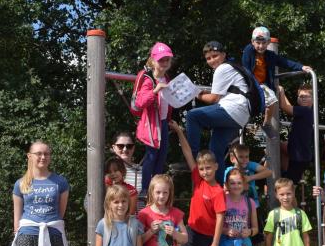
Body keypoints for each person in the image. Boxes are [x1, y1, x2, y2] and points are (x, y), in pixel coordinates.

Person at [169, 120, 225, 246]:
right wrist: (179, 132)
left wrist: (215, 243)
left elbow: (220, 217)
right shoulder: (198, 181)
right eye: (201, 168)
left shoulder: (218, 191)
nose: (204, 171)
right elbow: (187, 153)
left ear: (216, 167)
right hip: (192, 231)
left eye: (208, 168)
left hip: (208, 237)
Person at [185, 41, 251, 184]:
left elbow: (214, 98)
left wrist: (196, 94)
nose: (212, 60)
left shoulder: (223, 68)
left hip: (233, 108)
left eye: (215, 56)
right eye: (208, 58)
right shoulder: (233, 68)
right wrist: (203, 93)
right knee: (215, 152)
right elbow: (219, 94)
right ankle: (219, 188)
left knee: (192, 116)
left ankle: (193, 158)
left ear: (223, 55)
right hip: (240, 116)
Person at [242, 26, 311, 136]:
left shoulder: (270, 55)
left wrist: (301, 67)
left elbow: (285, 62)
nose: (260, 46)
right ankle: (243, 121)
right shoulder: (249, 51)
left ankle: (266, 123)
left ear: (269, 42)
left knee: (273, 99)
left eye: (263, 43)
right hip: (250, 83)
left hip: (262, 84)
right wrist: (250, 86)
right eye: (257, 43)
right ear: (252, 42)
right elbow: (246, 70)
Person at [131, 42, 174, 196]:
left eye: (167, 60)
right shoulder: (149, 78)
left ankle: (156, 189)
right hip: (151, 123)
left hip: (162, 122)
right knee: (151, 155)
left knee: (161, 156)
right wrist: (156, 90)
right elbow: (140, 102)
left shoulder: (166, 78)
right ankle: (145, 189)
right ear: (153, 60)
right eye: (161, 60)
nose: (164, 63)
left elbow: (169, 102)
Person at [277, 84, 314, 184]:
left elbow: (284, 106)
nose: (303, 98)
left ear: (313, 99)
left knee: (289, 187)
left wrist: (281, 90)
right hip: (296, 153)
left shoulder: (305, 111)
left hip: (300, 158)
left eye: (306, 96)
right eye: (301, 96)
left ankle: (273, 174)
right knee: (280, 145)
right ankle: (283, 171)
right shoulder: (302, 111)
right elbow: (288, 106)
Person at [110, 131, 145, 211]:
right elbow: (89, 202)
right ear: (113, 147)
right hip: (113, 220)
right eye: (120, 146)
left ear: (133, 148)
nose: (125, 149)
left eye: (129, 146)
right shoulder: (107, 171)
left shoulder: (142, 171)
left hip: (138, 220)